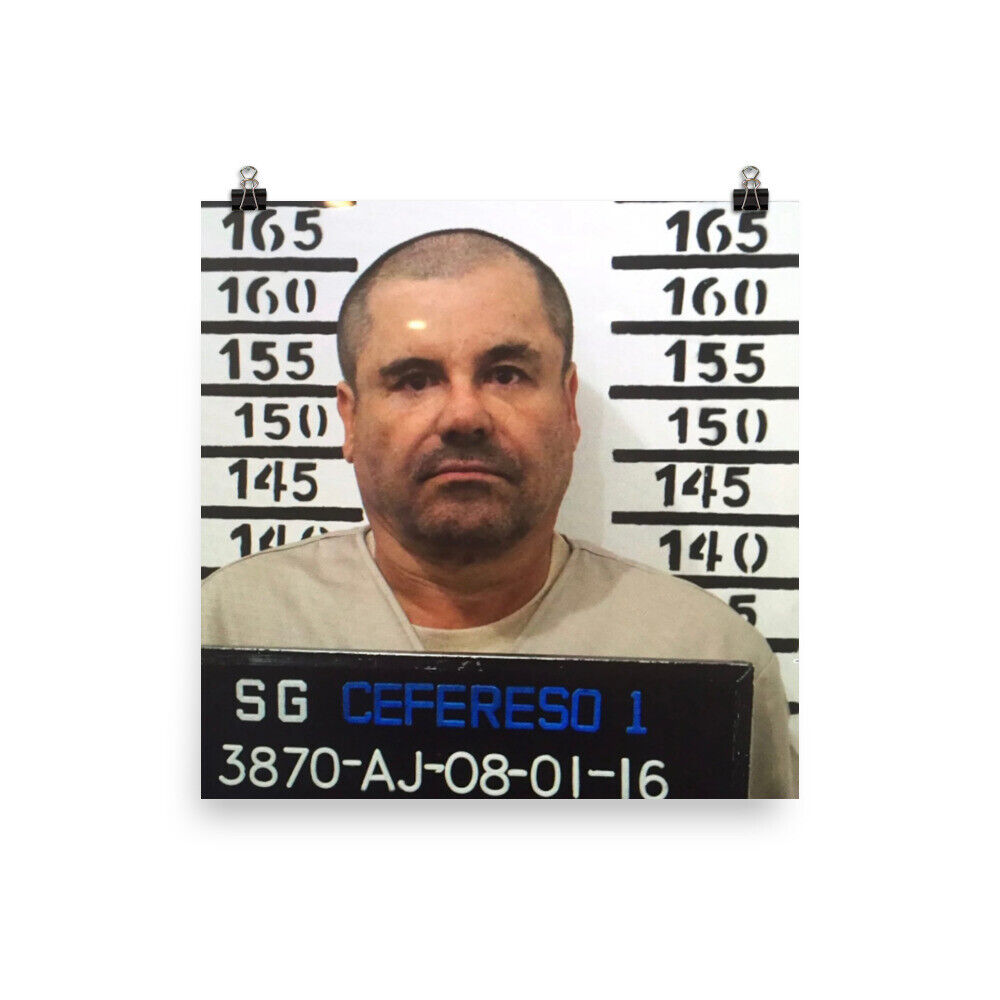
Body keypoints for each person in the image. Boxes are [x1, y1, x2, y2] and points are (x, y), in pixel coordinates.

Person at [202, 228, 794, 797]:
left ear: (569, 407)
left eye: (506, 375)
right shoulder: (222, 630)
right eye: (414, 380)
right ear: (350, 419)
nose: (464, 416)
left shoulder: (708, 655)